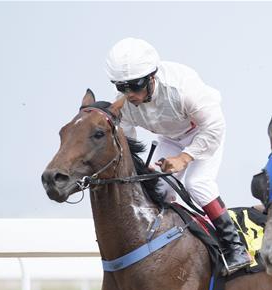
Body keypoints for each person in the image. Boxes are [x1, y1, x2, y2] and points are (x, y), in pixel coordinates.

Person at [105, 37, 251, 274]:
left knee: (197, 183)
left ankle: (235, 247)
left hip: (204, 134)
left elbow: (215, 127)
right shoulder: (124, 103)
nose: (129, 94)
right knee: (157, 189)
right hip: (170, 139)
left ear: (151, 77)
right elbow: (128, 143)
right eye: (122, 87)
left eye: (136, 85)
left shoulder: (182, 88)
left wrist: (184, 158)